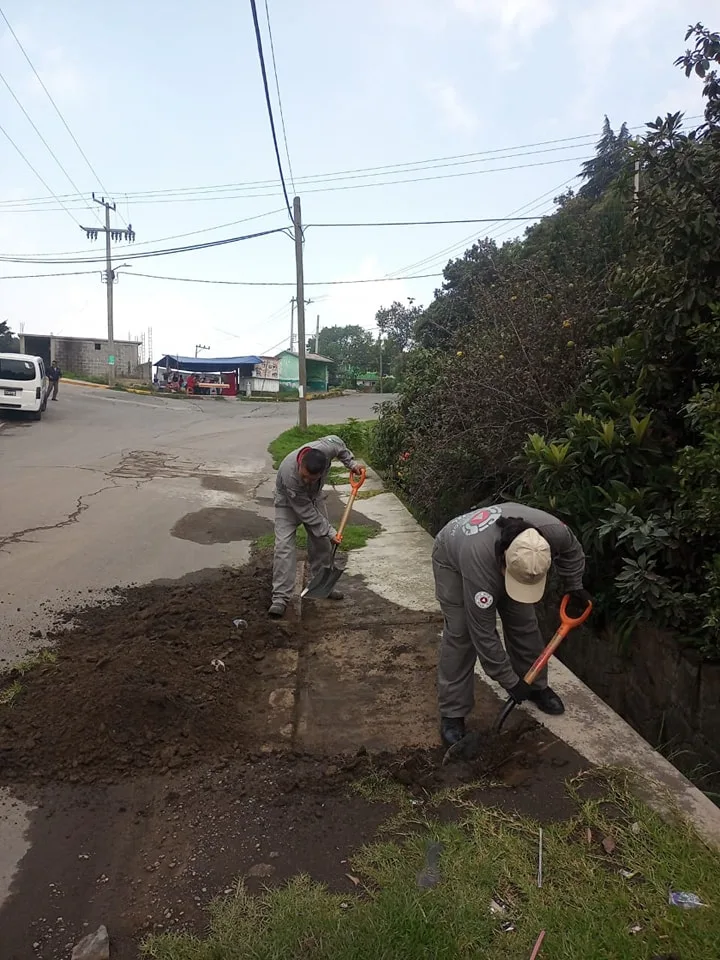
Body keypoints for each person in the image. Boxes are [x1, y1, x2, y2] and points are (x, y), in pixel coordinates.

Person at [432, 502, 591, 747]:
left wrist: (574, 585)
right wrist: (510, 681)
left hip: (494, 552)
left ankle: (536, 686)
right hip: (451, 553)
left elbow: (573, 552)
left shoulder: (553, 533)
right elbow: (483, 633)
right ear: (503, 559)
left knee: (524, 622)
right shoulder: (479, 564)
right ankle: (453, 713)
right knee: (461, 632)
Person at [268, 435, 363, 618]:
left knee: (321, 542)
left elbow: (338, 443)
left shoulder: (327, 449)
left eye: (312, 479)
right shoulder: (290, 472)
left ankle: (322, 585)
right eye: (304, 476)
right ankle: (280, 598)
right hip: (288, 502)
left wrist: (351, 464)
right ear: (301, 464)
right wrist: (330, 531)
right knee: (284, 546)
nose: (307, 481)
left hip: (313, 498)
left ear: (324, 468)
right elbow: (306, 512)